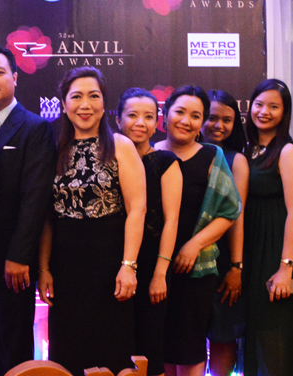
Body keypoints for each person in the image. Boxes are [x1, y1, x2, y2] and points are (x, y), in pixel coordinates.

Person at [37, 67, 146, 374]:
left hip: (110, 263)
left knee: (110, 350)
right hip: (66, 265)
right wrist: (44, 268)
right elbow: (46, 216)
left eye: (93, 96)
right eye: (76, 97)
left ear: (104, 103)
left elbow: (137, 209)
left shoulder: (120, 146)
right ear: (63, 104)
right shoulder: (53, 147)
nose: (85, 105)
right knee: (68, 352)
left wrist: (128, 266)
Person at [0, 44, 55, 376]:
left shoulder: (35, 128)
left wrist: (19, 255)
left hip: (11, 264)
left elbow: (35, 198)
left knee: (13, 346)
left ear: (15, 78)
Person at [156, 86, 241, 376]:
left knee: (189, 346)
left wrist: (194, 245)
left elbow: (229, 210)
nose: (186, 120)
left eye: (195, 115)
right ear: (165, 114)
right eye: (179, 112)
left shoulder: (211, 156)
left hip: (194, 269)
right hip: (154, 268)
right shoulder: (150, 153)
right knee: (160, 346)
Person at [241, 79, 293, 376]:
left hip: (278, 251)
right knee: (257, 328)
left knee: (277, 331)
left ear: (285, 112)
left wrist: (286, 268)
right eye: (259, 104)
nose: (264, 111)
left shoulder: (287, 152)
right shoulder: (251, 149)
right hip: (255, 248)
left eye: (274, 106)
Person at [116, 87, 182, 376]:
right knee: (116, 348)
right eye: (132, 115)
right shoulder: (109, 159)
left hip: (152, 265)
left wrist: (159, 274)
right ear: (118, 120)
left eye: (148, 116)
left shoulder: (166, 162)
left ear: (158, 122)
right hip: (114, 264)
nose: (140, 123)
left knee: (149, 348)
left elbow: (172, 220)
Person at [201, 90, 249, 376]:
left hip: (223, 260)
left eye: (227, 120)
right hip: (185, 257)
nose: (218, 125)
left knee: (222, 333)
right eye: (212, 117)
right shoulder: (178, 152)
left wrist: (236, 266)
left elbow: (237, 217)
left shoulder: (236, 160)